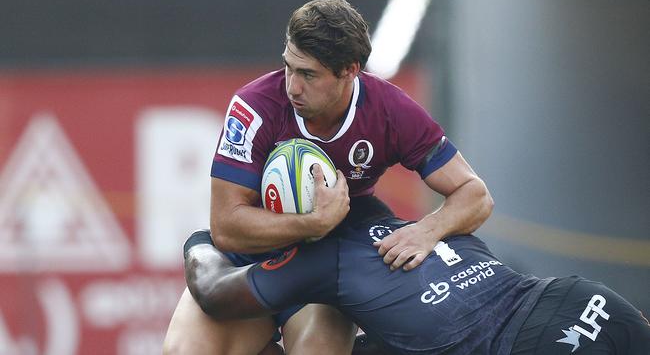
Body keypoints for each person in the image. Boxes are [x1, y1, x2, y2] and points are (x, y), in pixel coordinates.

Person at [163, 0, 493, 355]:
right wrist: (313, 223)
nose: (292, 86)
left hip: (328, 264)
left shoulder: (391, 110)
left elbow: (475, 195)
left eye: (308, 74)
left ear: (350, 70)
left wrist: (426, 230)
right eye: (288, 66)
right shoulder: (254, 106)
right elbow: (225, 227)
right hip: (251, 258)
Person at [182, 203, 650, 355]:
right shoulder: (418, 225)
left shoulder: (324, 261)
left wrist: (207, 235)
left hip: (533, 341)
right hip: (585, 299)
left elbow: (213, 293)